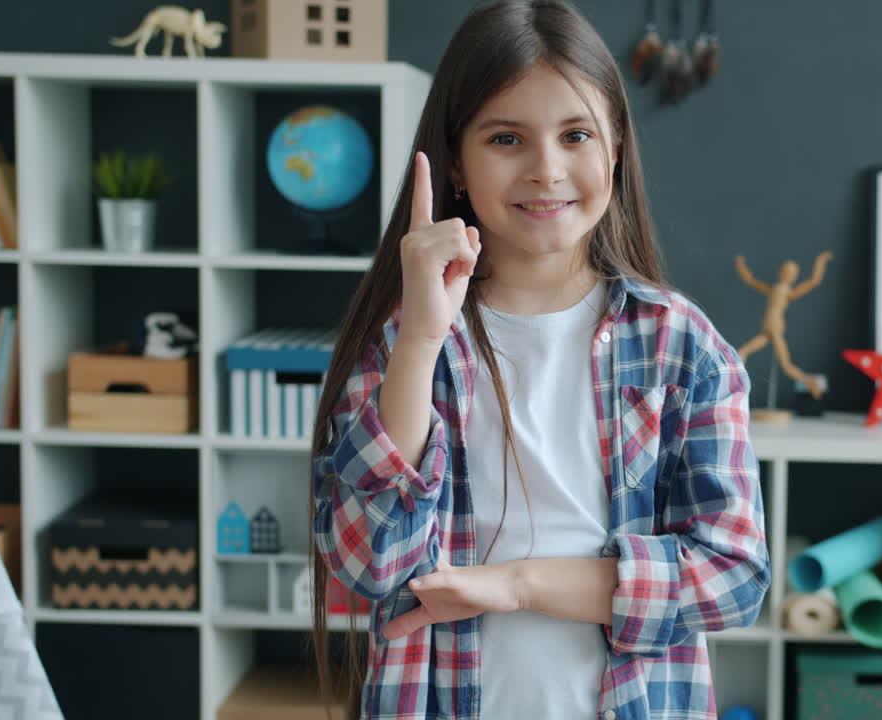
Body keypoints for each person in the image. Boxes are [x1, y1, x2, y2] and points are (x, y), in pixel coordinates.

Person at [308, 2, 770, 718]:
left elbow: (733, 576)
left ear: (615, 148)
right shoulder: (406, 341)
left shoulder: (681, 346)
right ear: (457, 163)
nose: (547, 170)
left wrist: (517, 584)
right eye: (506, 138)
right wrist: (421, 339)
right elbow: (368, 559)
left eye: (575, 135)